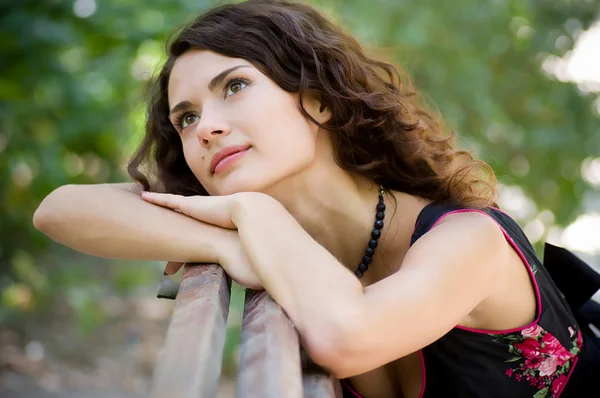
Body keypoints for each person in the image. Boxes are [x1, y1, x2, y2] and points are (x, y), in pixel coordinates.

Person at [33, 0, 599, 397]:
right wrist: (223, 242)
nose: (205, 128)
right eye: (186, 118)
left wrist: (251, 213)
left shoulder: (470, 239)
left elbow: (348, 338)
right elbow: (58, 209)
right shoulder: (273, 235)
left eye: (234, 86)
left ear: (320, 102)